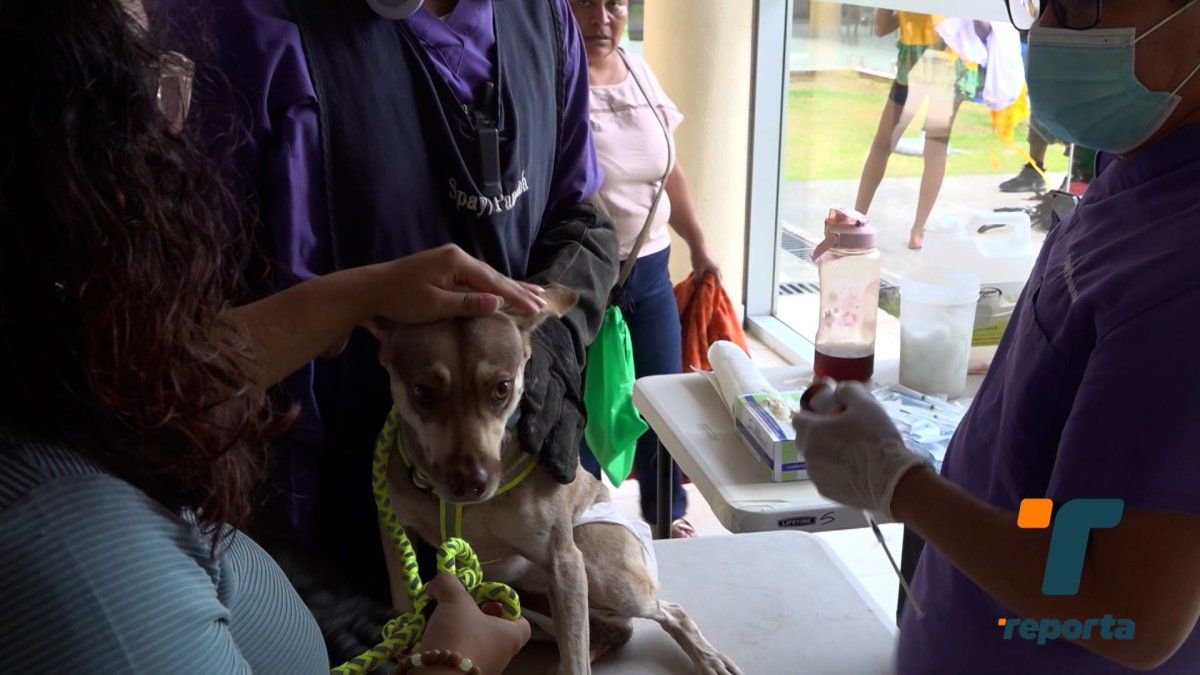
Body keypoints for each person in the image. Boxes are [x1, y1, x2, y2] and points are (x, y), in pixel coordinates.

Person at [0, 1, 534, 672]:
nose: (175, 130)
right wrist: (455, 659)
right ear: (65, 185)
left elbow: (153, 378)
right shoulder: (81, 558)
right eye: (152, 92)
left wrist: (360, 293)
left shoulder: (49, 383)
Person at [157, 0, 620, 658]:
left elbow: (581, 212)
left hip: (513, 527)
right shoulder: (234, 29)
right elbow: (176, 333)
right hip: (322, 538)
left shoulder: (542, 19)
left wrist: (546, 346)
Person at [794, 0, 1200, 672]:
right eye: (1043, 5)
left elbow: (1130, 611)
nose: (1042, 35)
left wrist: (900, 484)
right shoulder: (1138, 166)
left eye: (1079, 7)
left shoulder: (1185, 272)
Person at [566, 0, 720, 539]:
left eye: (615, 3)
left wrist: (698, 244)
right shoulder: (555, 77)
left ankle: (666, 512)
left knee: (663, 402)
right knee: (581, 408)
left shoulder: (639, 70)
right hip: (583, 274)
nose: (601, 16)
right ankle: (585, 520)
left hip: (650, 269)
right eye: (586, 3)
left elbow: (669, 170)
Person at [854, 11, 983, 250]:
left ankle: (855, 220)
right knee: (936, 146)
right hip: (950, 59)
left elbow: (881, 27)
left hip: (915, 59)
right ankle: (917, 231)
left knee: (883, 143)